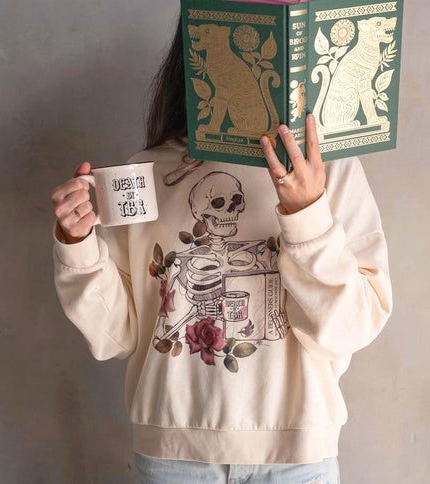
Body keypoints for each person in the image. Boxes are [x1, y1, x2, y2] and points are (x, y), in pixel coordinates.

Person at [48, 16, 393, 484]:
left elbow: (349, 328)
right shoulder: (146, 174)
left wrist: (308, 214)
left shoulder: (330, 170)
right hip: (174, 451)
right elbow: (117, 334)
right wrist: (78, 243)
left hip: (296, 453)